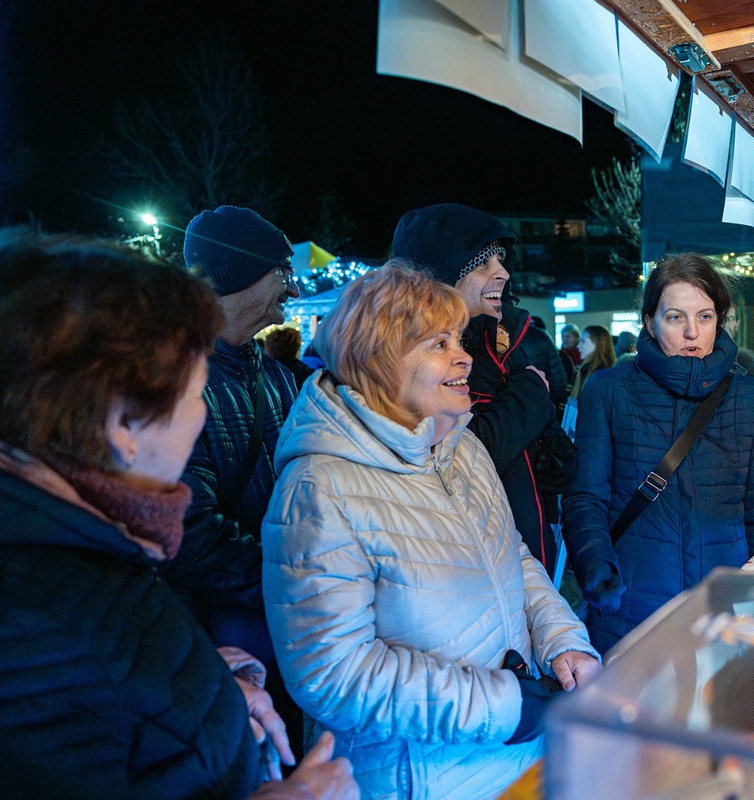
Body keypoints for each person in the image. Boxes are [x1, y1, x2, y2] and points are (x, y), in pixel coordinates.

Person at [0, 229, 356, 800]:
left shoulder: (86, 543)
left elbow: (115, 704)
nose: (200, 414)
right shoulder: (34, 632)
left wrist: (203, 680)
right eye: (193, 394)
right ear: (123, 429)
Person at [262, 264, 600, 800]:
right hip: (419, 780)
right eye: (438, 344)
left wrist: (562, 641)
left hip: (516, 759)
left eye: (459, 339)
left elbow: (509, 553)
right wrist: (504, 706)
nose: (463, 357)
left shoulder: (460, 446)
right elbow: (335, 675)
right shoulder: (319, 487)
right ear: (381, 360)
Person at [563, 253, 754, 654]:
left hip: (723, 609)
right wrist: (596, 566)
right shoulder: (608, 390)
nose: (692, 333)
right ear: (650, 321)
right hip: (631, 608)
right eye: (675, 318)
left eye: (704, 317)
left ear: (720, 320)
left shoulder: (748, 394)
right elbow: (586, 498)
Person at [391, 203, 574, 579]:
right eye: (482, 265)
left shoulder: (505, 340)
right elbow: (461, 456)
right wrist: (530, 395)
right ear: (439, 276)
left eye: (502, 262)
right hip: (468, 570)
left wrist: (555, 453)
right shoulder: (412, 361)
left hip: (526, 562)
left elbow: (519, 430)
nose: (504, 274)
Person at [164, 205, 300, 673]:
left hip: (281, 618)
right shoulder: (169, 383)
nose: (295, 287)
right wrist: (295, 582)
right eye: (283, 271)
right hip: (222, 640)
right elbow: (186, 532)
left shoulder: (280, 377)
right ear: (240, 274)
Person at [571, 324, 617, 397]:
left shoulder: (603, 375)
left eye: (583, 341)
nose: (578, 346)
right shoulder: (583, 368)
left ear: (598, 343)